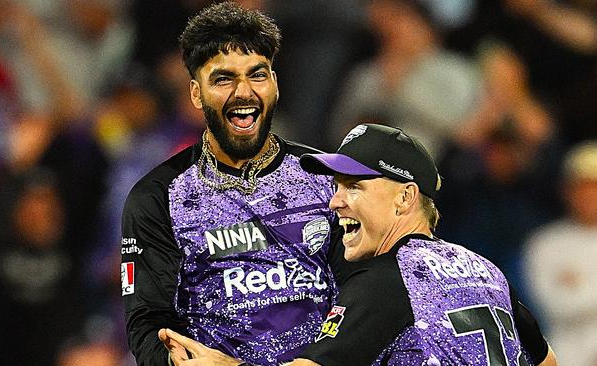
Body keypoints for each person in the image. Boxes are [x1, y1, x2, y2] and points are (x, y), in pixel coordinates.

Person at [161, 124, 557, 366]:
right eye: (336, 186)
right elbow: (547, 360)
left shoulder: (388, 280)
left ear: (405, 197)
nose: (335, 201)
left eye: (355, 186)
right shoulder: (484, 270)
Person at [121, 2, 352, 365]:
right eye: (224, 79)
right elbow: (149, 322)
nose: (244, 92)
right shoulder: (158, 197)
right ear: (196, 93)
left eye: (257, 75)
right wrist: (177, 362)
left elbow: (361, 292)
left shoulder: (325, 176)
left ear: (274, 83)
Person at [523, 140, 597, 365]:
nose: (590, 195)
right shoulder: (545, 243)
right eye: (584, 186)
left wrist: (582, 287)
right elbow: (554, 307)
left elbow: (574, 303)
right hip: (567, 355)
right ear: (567, 190)